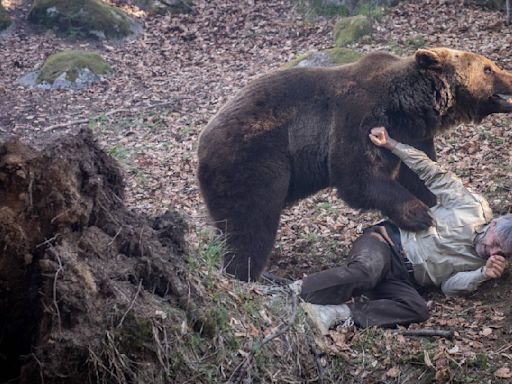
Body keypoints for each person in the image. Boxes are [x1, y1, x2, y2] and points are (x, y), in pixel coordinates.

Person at [291, 127, 512, 334]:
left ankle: (334, 313)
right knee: (366, 272)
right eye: (495, 242)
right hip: (385, 243)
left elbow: (449, 287)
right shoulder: (472, 207)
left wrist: (481, 275)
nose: (492, 251)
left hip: (404, 280)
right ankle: (292, 293)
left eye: (500, 252)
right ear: (494, 224)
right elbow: (432, 173)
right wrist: (393, 145)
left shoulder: (486, 264)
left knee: (417, 309)